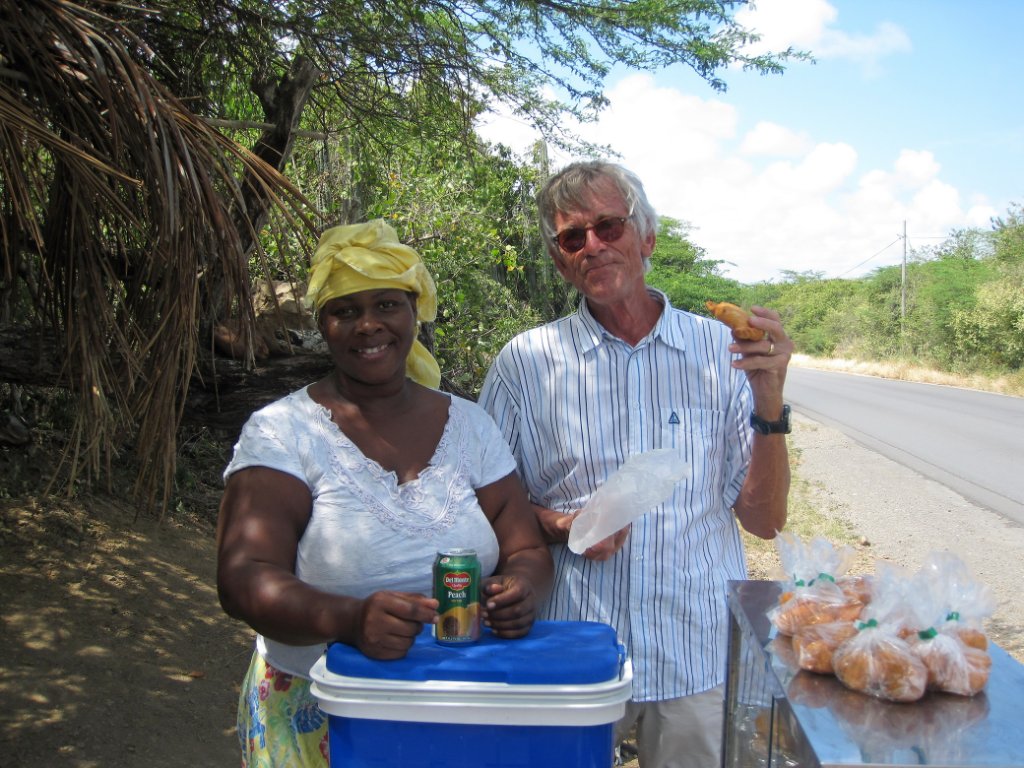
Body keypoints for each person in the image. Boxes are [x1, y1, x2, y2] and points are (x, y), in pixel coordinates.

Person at [478, 161, 792, 768]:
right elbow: (486, 501)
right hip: (570, 648)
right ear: (559, 259)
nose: (594, 246)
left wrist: (770, 398)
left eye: (609, 227)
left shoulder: (722, 352)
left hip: (693, 651)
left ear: (645, 238)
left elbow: (764, 521)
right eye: (574, 237)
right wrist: (558, 524)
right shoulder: (525, 363)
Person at [216, 219, 553, 767]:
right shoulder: (282, 432)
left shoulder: (470, 427)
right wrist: (347, 620)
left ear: (413, 312)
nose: (368, 325)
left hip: (459, 707)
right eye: (345, 310)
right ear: (322, 324)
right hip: (320, 713)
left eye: (387, 305)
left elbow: (525, 549)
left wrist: (524, 591)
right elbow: (243, 578)